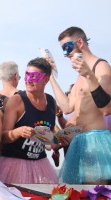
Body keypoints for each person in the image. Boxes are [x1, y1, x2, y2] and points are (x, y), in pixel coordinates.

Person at [49, 26, 111, 184]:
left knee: (94, 194)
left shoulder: (100, 66)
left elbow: (107, 109)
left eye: (67, 47)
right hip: (78, 141)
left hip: (95, 142)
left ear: (80, 42)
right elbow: (68, 108)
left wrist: (89, 75)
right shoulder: (79, 76)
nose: (65, 54)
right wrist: (51, 77)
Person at [0, 57, 58, 184]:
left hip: (41, 164)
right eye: (26, 75)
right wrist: (17, 132)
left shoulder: (51, 102)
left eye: (34, 76)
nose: (28, 80)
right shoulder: (16, 101)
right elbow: (3, 137)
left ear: (46, 79)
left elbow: (51, 138)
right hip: (15, 164)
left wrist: (60, 140)